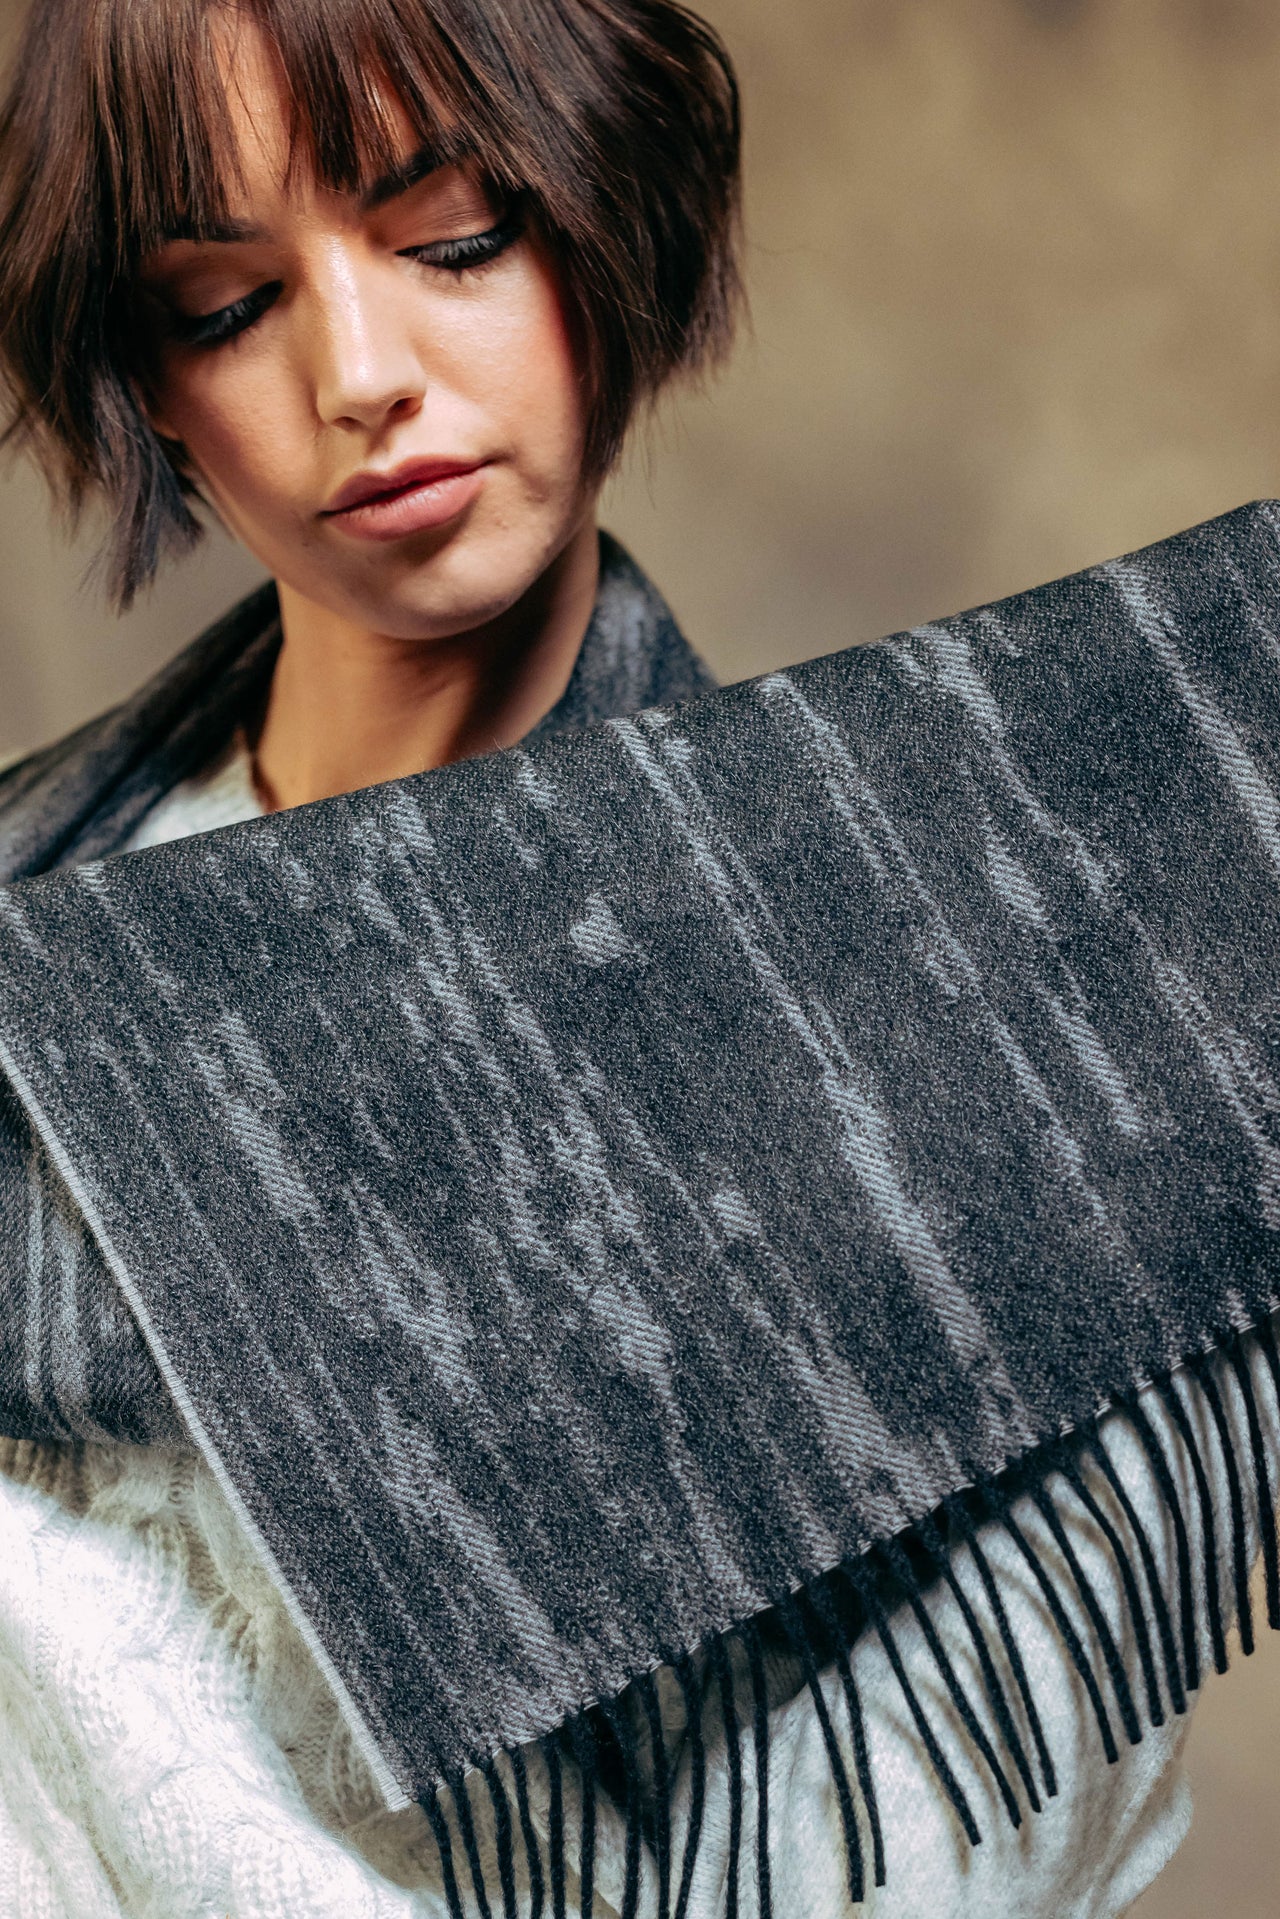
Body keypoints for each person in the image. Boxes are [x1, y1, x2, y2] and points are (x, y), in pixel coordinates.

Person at [0, 1, 1276, 1913]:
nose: (361, 374)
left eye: (450, 243)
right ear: (149, 380)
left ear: (611, 228)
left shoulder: (934, 1014)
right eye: (223, 306)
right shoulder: (36, 949)